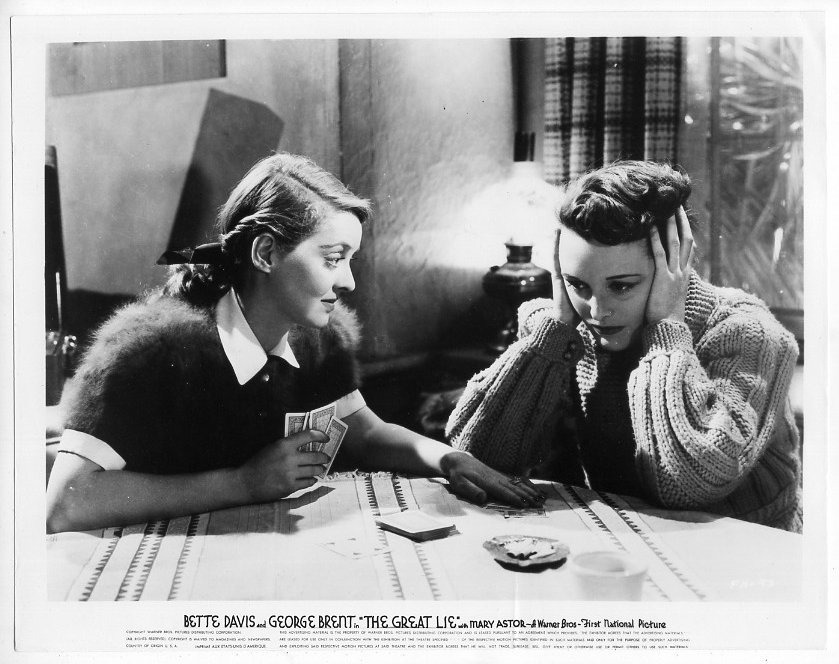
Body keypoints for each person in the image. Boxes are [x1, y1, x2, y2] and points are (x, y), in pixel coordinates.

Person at [46, 153, 543, 533]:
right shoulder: (151, 350)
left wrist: (448, 458)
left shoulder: (317, 338)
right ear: (265, 253)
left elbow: (364, 432)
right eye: (333, 258)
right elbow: (66, 503)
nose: (348, 281)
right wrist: (243, 483)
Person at [446, 160, 802, 532]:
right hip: (627, 539)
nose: (597, 311)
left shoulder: (748, 332)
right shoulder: (567, 329)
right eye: (578, 284)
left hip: (749, 549)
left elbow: (690, 487)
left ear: (674, 266)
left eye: (621, 286)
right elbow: (478, 458)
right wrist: (553, 334)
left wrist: (667, 328)